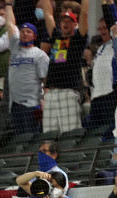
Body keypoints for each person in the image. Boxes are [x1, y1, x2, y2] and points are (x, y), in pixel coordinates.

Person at [0, 6, 49, 135]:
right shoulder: (15, 49)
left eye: (28, 32)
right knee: (19, 136)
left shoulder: (40, 55)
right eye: (23, 31)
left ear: (35, 36)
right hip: (14, 103)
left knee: (30, 135)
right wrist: (8, 5)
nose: (25, 33)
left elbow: (44, 79)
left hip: (31, 103)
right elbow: (10, 25)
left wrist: (42, 100)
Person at [40, 0, 89, 133]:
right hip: (51, 93)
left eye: (69, 21)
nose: (65, 23)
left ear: (75, 23)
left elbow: (84, 13)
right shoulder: (56, 37)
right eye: (63, 20)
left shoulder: (79, 38)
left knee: (70, 133)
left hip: (69, 91)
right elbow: (47, 14)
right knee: (49, 134)